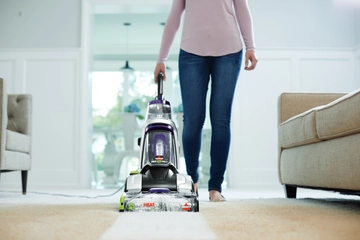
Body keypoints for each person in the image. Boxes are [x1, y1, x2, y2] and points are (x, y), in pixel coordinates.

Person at [154, 0, 258, 202]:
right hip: (191, 53)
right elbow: (174, 17)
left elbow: (242, 9)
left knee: (220, 120)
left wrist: (250, 46)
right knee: (192, 122)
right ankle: (192, 179)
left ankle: (215, 188)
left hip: (229, 52)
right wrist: (162, 58)